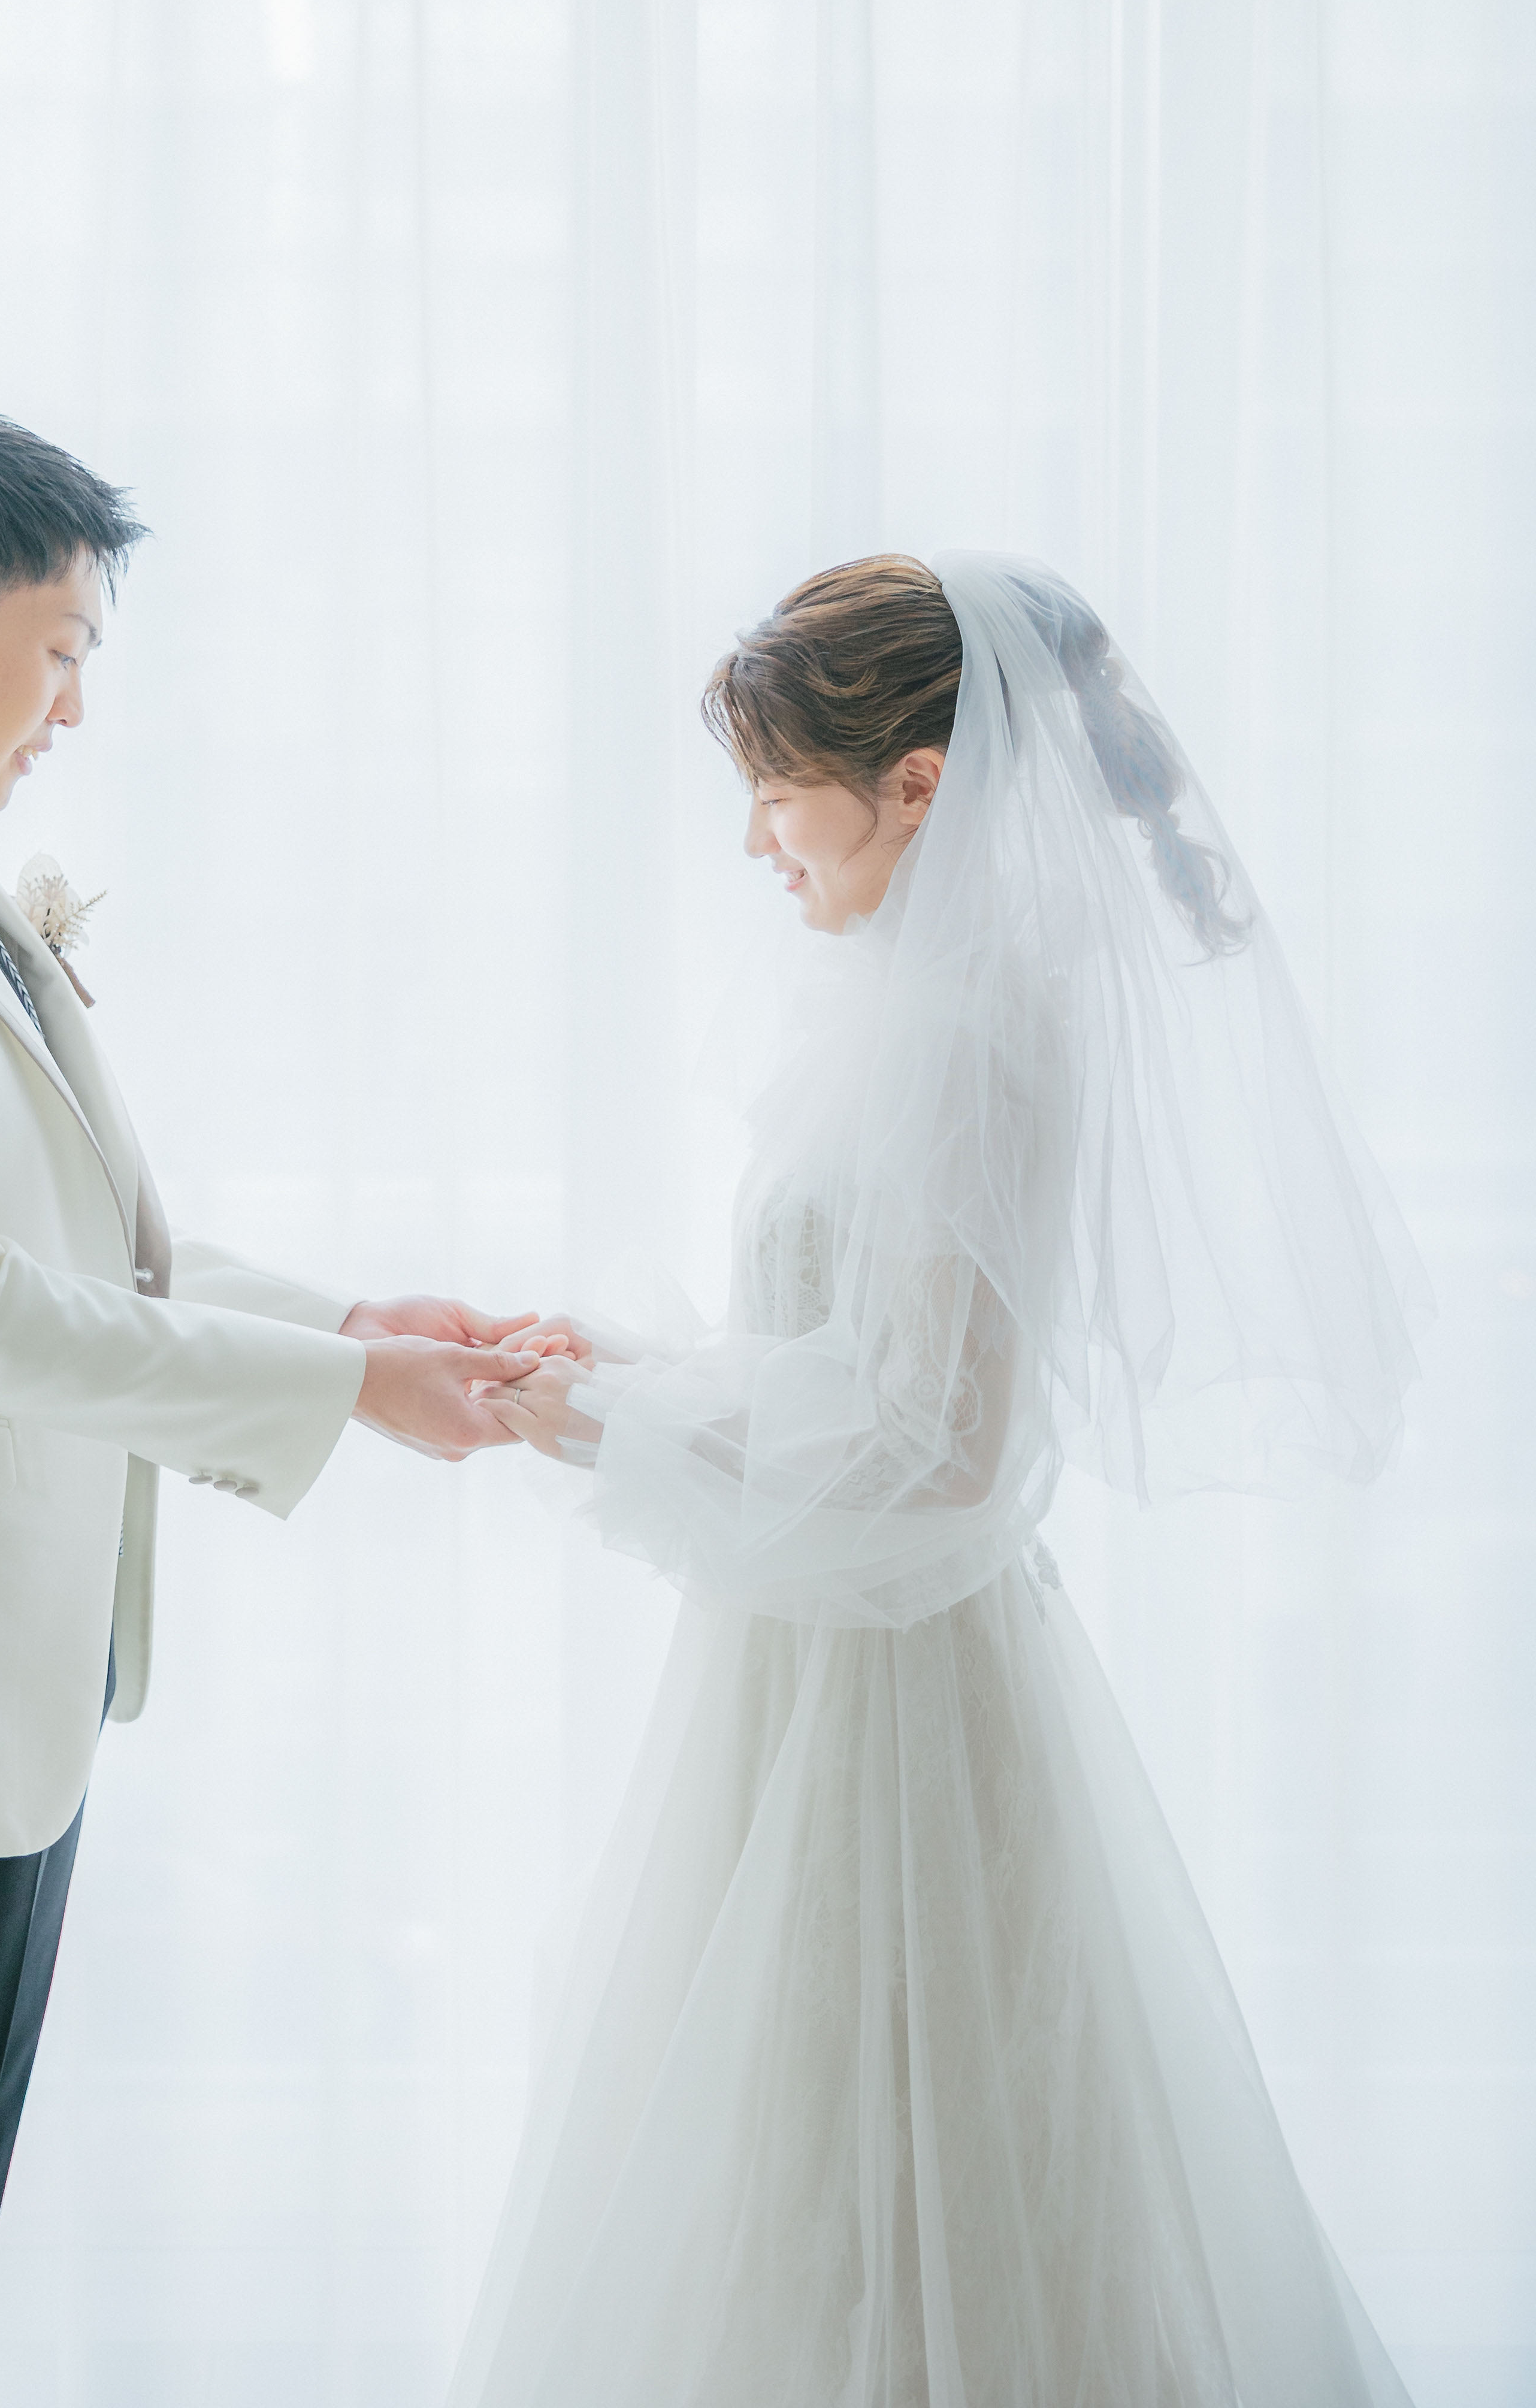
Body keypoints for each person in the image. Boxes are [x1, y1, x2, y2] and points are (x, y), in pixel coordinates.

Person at [0, 411, 549, 2408]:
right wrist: (350, 1389)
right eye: (58, 651)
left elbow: (67, 1244)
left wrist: (347, 1323)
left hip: (4, 1681)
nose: (74, 707)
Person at [463, 552, 1427, 2408]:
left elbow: (938, 1447)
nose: (755, 841)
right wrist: (618, 1368)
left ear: (917, 786)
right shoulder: (906, 1009)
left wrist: (599, 1423)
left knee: (900, 2182)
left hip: (899, 1698)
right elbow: (850, 1363)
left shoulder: (981, 1035)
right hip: (808, 1662)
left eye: (775, 791)